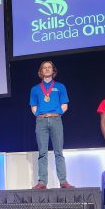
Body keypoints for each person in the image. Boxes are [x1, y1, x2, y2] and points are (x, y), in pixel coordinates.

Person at [30, 61, 73, 189]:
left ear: (53, 71)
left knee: (58, 152)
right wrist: (38, 114)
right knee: (42, 152)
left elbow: (65, 104)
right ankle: (42, 182)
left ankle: (63, 181)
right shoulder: (35, 89)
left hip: (56, 120)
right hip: (41, 121)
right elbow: (33, 105)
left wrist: (57, 113)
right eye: (45, 67)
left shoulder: (60, 86)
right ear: (41, 71)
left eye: (49, 67)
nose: (47, 69)